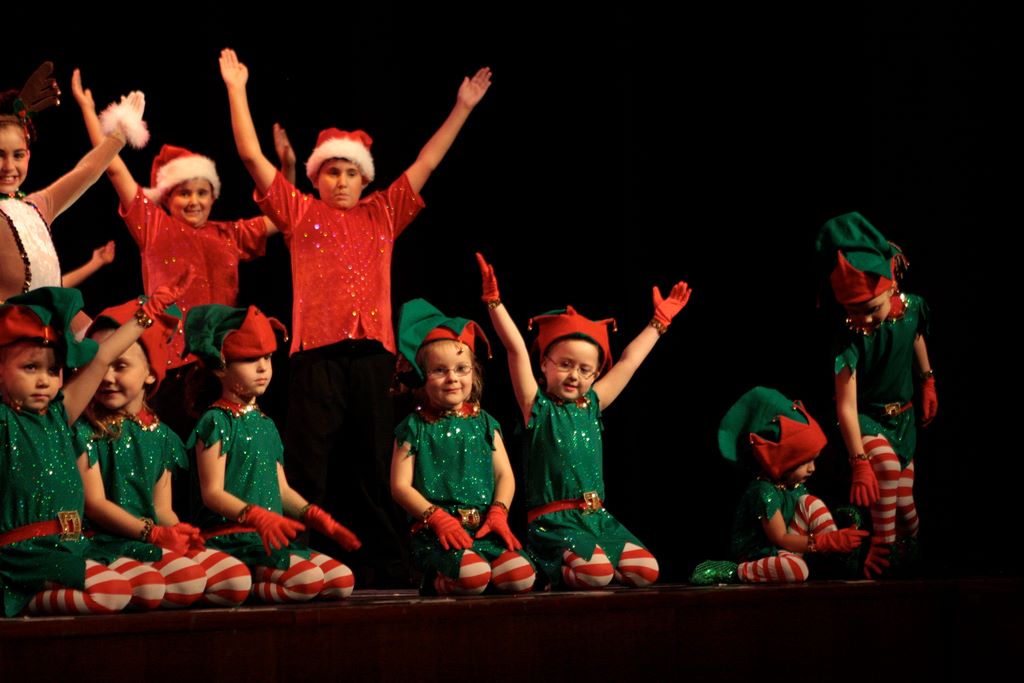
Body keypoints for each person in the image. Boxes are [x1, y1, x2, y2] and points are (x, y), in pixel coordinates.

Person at [219, 47, 492, 585]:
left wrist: (462, 106)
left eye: (350, 172)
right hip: (316, 356)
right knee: (308, 464)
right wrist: (236, 89)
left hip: (371, 357)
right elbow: (251, 156)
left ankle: (390, 565)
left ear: (364, 179)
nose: (341, 181)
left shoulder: (383, 212)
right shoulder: (300, 212)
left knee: (373, 462)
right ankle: (297, 559)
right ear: (316, 177)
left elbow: (427, 163)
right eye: (331, 172)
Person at [476, 253, 689, 589]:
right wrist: (494, 303)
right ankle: (549, 570)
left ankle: (581, 568)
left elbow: (629, 362)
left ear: (595, 374)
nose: (574, 375)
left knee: (645, 571)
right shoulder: (537, 407)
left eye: (584, 369)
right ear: (544, 364)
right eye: (565, 364)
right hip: (553, 523)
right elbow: (515, 348)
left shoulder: (592, 404)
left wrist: (659, 322)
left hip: (597, 518)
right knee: (597, 574)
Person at [70, 68, 295, 367]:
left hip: (220, 358)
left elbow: (280, 216)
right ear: (167, 198)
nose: (194, 201)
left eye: (202, 193)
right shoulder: (154, 225)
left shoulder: (229, 233)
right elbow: (113, 169)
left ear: (213, 197)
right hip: (170, 358)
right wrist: (89, 111)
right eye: (184, 193)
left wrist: (288, 168)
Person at [0, 284, 179, 616]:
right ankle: (25, 598)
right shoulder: (4, 421)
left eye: (53, 370)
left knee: (152, 586)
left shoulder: (58, 415)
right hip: (25, 554)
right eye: (30, 368)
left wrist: (146, 315)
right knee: (111, 591)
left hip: (73, 546)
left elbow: (102, 358)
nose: (44, 381)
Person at [75, 296, 252, 608]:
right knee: (183, 581)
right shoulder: (86, 430)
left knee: (235, 579)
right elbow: (95, 505)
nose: (106, 376)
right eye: (99, 365)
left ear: (150, 373)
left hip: (148, 538)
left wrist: (180, 533)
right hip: (105, 542)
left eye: (120, 365)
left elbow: (162, 508)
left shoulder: (161, 436)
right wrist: (153, 534)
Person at [185, 304, 361, 602]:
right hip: (231, 537)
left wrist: (315, 516)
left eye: (267, 357)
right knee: (306, 582)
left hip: (267, 538)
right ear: (220, 367)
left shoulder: (266, 424)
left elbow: (281, 489)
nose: (263, 368)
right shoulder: (216, 421)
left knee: (341, 581)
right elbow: (212, 493)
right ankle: (243, 585)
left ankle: (252, 581)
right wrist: (257, 517)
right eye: (250, 359)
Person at [816, 212, 936, 577]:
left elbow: (915, 337)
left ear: (891, 287)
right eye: (852, 312)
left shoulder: (912, 308)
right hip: (867, 418)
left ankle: (908, 548)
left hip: (903, 419)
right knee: (884, 465)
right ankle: (881, 547)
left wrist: (927, 380)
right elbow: (846, 406)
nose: (863, 321)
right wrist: (859, 461)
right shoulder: (849, 339)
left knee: (905, 507)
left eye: (871, 310)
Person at [390, 298, 535, 595]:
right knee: (473, 576)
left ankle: (475, 579)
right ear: (423, 377)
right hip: (437, 534)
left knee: (522, 576)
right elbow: (400, 486)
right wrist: (437, 518)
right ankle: (437, 580)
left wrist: (499, 512)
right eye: (439, 370)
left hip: (482, 529)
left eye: (461, 369)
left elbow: (504, 475)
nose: (452, 378)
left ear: (473, 373)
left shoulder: (485, 423)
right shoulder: (414, 427)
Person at [689, 386, 868, 584]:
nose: (812, 469)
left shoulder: (795, 487)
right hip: (762, 555)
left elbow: (803, 521)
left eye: (814, 460)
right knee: (797, 570)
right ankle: (736, 571)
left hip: (786, 551)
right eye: (804, 462)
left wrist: (835, 538)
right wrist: (822, 541)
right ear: (784, 462)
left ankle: (837, 556)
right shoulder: (763, 491)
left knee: (811, 502)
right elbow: (780, 538)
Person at [1, 63, 148, 302]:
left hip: (46, 320)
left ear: (28, 156)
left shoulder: (37, 206)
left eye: (17, 155)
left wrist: (119, 135)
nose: (8, 166)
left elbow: (86, 172)